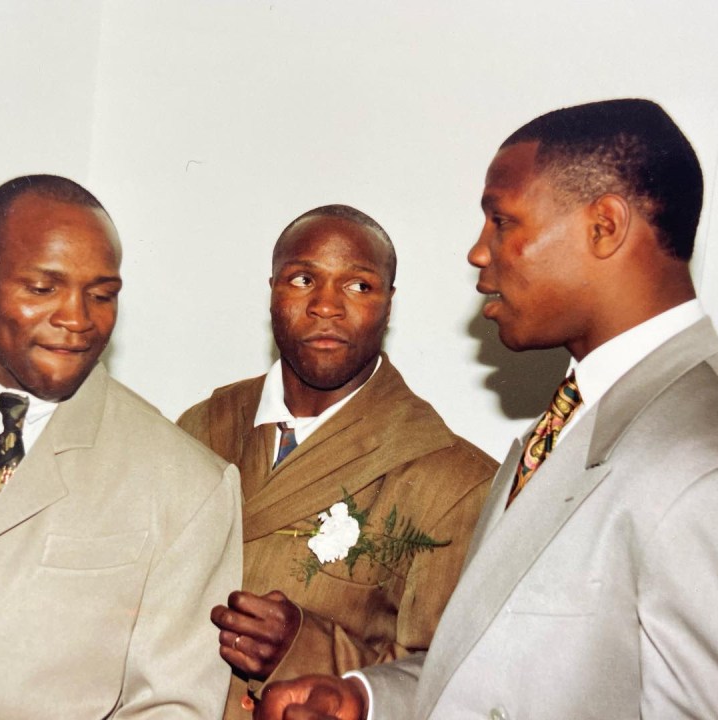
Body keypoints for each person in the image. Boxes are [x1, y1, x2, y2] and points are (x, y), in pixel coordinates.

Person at [255, 99, 718, 719]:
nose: (478, 252)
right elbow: (504, 676)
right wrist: (369, 698)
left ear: (604, 226)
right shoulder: (571, 422)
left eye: (502, 221)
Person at [0, 174, 242, 719]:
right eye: (41, 289)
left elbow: (173, 706)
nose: (77, 320)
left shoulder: (189, 483)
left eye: (101, 295)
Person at [176, 204, 497, 719]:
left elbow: (447, 683)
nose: (326, 305)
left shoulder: (452, 479)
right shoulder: (202, 427)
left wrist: (303, 648)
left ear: (389, 304)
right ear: (274, 291)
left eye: (358, 286)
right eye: (304, 279)